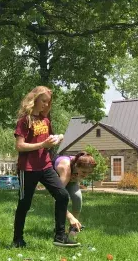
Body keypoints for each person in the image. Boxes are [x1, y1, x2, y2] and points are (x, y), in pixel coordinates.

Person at [12, 86, 79, 248]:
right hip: (27, 168)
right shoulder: (24, 121)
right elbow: (20, 146)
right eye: (43, 101)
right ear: (35, 99)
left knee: (62, 196)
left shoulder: (45, 120)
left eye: (48, 102)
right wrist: (42, 143)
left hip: (45, 165)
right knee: (24, 204)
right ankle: (17, 240)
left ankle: (59, 236)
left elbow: (47, 144)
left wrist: (57, 139)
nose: (46, 105)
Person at [54, 152, 96, 237]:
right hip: (59, 177)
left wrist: (77, 177)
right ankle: (58, 228)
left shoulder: (79, 166)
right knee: (62, 199)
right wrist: (69, 216)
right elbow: (56, 197)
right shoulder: (65, 168)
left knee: (77, 197)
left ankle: (73, 227)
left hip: (71, 177)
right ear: (76, 166)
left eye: (89, 173)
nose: (86, 175)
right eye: (84, 172)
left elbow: (77, 176)